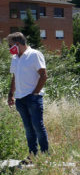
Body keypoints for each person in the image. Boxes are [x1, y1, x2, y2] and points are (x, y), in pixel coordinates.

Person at [6, 32, 48, 161]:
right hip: (20, 99)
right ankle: (32, 155)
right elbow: (14, 77)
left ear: (18, 44)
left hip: (33, 98)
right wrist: (11, 94)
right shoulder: (15, 58)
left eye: (10, 45)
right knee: (28, 129)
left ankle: (45, 155)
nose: (9, 48)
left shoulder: (35, 54)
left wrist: (35, 93)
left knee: (38, 126)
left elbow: (43, 75)